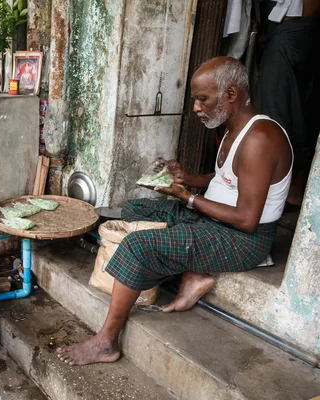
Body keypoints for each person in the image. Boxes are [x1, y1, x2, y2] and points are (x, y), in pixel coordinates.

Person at [56, 57, 293, 366]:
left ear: (231, 94)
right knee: (133, 209)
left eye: (202, 99)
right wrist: (186, 179)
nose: (196, 107)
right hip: (215, 220)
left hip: (243, 239)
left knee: (138, 246)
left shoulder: (260, 138)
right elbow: (229, 180)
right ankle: (192, 273)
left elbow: (247, 219)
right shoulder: (233, 130)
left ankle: (106, 342)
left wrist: (187, 197)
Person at [253, 0, 320, 206]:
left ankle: (271, 189)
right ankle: (294, 188)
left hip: (289, 31)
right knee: (304, 111)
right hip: (308, 28)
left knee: (275, 114)